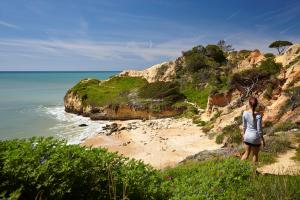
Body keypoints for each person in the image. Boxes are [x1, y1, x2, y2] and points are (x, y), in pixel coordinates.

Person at [241, 96, 265, 162]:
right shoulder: (259, 115)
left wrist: (243, 135)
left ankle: (238, 170)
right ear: (257, 104)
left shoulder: (245, 113)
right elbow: (259, 129)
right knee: (255, 155)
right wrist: (262, 139)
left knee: (246, 154)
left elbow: (244, 126)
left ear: (249, 104)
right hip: (255, 137)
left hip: (247, 136)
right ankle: (253, 172)